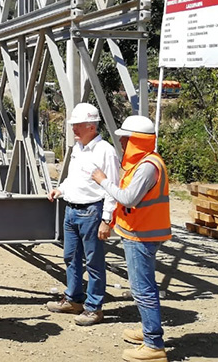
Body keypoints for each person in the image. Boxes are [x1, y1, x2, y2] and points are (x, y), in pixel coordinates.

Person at [91, 115, 170, 362]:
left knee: (142, 289)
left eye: (126, 139)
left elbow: (128, 199)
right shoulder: (145, 162)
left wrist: (102, 180)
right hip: (140, 232)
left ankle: (154, 345)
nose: (123, 144)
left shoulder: (148, 166)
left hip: (142, 236)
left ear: (137, 141)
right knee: (143, 287)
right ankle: (149, 332)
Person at [47, 102, 120, 326]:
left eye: (77, 125)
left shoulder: (105, 151)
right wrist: (61, 189)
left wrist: (106, 219)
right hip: (72, 209)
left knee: (94, 262)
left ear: (91, 126)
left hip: (92, 211)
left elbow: (112, 187)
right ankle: (74, 299)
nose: (73, 129)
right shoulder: (78, 149)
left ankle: (94, 308)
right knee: (70, 257)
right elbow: (74, 178)